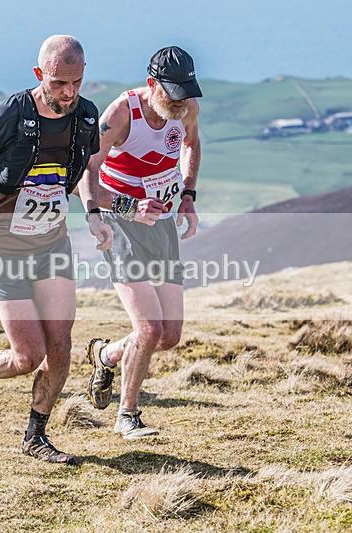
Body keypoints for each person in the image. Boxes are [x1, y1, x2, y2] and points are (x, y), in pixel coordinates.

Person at [0, 35, 112, 464]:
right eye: (59, 83)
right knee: (27, 354)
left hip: (52, 242)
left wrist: (92, 211)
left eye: (77, 82)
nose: (70, 93)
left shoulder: (87, 116)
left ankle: (36, 435)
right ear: (40, 75)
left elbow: (80, 171)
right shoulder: (9, 114)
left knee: (60, 345)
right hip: (3, 243)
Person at [82, 46, 202, 438]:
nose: (181, 101)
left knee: (169, 335)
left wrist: (187, 196)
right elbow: (86, 172)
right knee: (149, 329)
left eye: (186, 91)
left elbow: (190, 144)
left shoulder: (185, 107)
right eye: (173, 92)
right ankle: (127, 415)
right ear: (152, 85)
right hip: (123, 225)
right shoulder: (121, 114)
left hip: (163, 222)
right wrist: (123, 207)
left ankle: (107, 354)